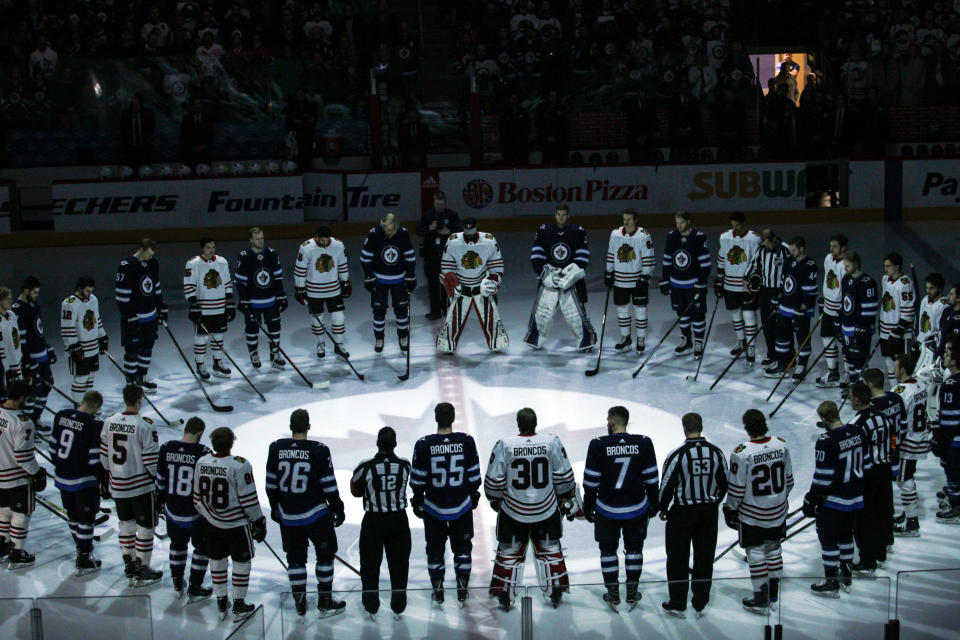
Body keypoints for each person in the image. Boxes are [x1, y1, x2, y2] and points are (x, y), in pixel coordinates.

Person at [484, 407, 578, 609]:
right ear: (536, 423)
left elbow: (493, 482)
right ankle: (556, 589)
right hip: (546, 510)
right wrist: (563, 497)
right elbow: (565, 477)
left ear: (518, 424)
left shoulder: (505, 444)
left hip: (513, 511)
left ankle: (505, 594)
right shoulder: (551, 441)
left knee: (509, 552)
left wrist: (496, 499)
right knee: (551, 548)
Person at [266, 409, 346, 618]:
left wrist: (275, 506)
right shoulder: (318, 450)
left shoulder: (276, 447)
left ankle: (299, 601)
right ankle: (325, 600)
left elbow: (271, 483)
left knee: (295, 559)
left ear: (291, 426)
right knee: (325, 555)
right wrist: (337, 507)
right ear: (308, 426)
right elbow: (328, 484)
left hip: (288, 515)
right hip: (315, 514)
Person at [582, 406, 658, 609]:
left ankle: (613, 592)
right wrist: (654, 502)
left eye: (608, 420)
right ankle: (632, 591)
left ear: (613, 422)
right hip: (636, 509)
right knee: (634, 549)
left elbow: (591, 482)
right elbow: (651, 478)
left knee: (607, 551)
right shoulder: (643, 442)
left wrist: (588, 506)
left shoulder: (598, 444)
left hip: (607, 510)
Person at [410, 403, 481, 605]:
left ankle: (438, 588)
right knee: (463, 548)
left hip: (434, 508)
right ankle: (462, 587)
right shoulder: (466, 441)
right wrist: (472, 495)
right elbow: (475, 478)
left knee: (434, 549)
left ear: (435, 418)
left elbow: (417, 481)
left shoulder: (424, 444)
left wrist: (418, 501)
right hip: (462, 506)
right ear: (453, 418)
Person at [658, 412, 728, 617]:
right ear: (701, 426)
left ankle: (678, 601)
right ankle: (700, 600)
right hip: (708, 512)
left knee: (678, 558)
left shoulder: (677, 454)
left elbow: (666, 485)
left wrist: (662, 507)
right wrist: (714, 501)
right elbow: (725, 483)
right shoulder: (716, 453)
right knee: (704, 556)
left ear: (684, 428)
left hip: (682, 513)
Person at [194, 427, 267, 621]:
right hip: (236, 526)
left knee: (216, 559)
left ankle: (220, 600)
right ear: (231, 443)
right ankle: (239, 603)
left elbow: (196, 498)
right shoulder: (240, 465)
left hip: (211, 524)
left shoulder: (202, 462)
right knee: (241, 562)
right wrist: (258, 520)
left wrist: (210, 516)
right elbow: (249, 500)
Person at [724, 409, 793, 615]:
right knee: (774, 549)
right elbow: (789, 481)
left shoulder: (741, 452)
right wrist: (778, 501)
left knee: (755, 552)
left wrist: (730, 508)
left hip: (753, 515)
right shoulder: (781, 444)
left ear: (746, 427)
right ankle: (772, 594)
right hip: (778, 511)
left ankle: (761, 597)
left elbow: (736, 489)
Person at [803, 400, 871, 597]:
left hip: (834, 499)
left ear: (823, 419)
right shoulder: (858, 432)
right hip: (855, 497)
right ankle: (846, 577)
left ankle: (831, 581)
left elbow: (823, 476)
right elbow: (866, 464)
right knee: (846, 535)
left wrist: (811, 499)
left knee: (828, 539)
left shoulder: (826, 440)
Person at [100, 384, 162, 587]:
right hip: (140, 486)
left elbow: (104, 455)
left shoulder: (109, 421)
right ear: (140, 400)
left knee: (125, 525)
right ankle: (143, 567)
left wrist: (113, 473)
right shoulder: (145, 425)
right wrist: (158, 481)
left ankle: (129, 564)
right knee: (145, 528)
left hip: (118, 484)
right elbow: (151, 461)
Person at [350, 426, 412, 616]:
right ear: (394, 444)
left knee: (369, 565)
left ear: (378, 443)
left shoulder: (365, 466)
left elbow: (354, 490)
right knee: (399, 564)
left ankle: (371, 604)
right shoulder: (405, 465)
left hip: (373, 522)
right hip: (398, 521)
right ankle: (399, 603)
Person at [156, 417, 213, 601]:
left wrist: (160, 502)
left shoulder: (166, 447)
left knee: (177, 545)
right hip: (195, 513)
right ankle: (195, 586)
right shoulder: (203, 452)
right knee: (202, 548)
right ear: (199, 433)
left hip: (172, 510)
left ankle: (177, 582)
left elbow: (160, 480)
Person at [525, 204, 596, 351]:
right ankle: (536, 338)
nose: (561, 217)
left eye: (564, 215)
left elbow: (583, 254)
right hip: (551, 275)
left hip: (570, 277)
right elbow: (537, 253)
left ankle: (585, 341)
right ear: (555, 215)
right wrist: (544, 274)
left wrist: (573, 271)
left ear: (568, 215)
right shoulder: (544, 230)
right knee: (543, 311)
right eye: (558, 214)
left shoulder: (578, 231)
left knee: (574, 312)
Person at [50, 390, 105, 575]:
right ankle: (83, 558)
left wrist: (62, 466)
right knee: (86, 520)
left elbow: (52, 447)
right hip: (83, 481)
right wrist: (99, 479)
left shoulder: (61, 415)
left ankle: (81, 550)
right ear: (97, 405)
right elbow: (94, 458)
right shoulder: (94, 424)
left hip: (62, 478)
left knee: (73, 517)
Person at [437, 218, 508, 353]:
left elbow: (496, 265)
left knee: (491, 317)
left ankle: (497, 342)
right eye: (467, 230)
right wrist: (452, 283)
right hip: (461, 287)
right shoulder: (453, 241)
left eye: (472, 230)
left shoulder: (489, 240)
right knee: (454, 318)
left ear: (476, 228)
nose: (469, 233)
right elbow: (447, 267)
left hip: (482, 286)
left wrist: (493, 282)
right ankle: (447, 343)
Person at [846, 382, 894, 575]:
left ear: (857, 399)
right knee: (883, 511)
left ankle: (867, 560)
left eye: (850, 396)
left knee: (865, 518)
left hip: (867, 474)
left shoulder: (856, 424)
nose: (849, 399)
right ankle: (881, 553)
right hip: (885, 469)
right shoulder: (883, 417)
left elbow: (854, 454)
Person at [0, 380, 46, 568]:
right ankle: (17, 552)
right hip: (17, 477)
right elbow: (23, 457)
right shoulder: (23, 422)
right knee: (21, 514)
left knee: (3, 512)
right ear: (21, 398)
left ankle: (2, 546)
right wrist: (37, 473)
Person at [359, 213, 416, 354]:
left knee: (402, 311)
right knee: (378, 311)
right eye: (386, 229)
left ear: (396, 226)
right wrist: (369, 276)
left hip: (399, 279)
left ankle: (403, 337)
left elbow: (409, 256)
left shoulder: (403, 234)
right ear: (382, 224)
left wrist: (410, 275)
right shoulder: (374, 234)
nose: (389, 232)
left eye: (392, 229)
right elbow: (365, 257)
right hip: (379, 280)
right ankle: (379, 338)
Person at [115, 239, 167, 391]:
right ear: (141, 249)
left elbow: (156, 287)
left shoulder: (153, 263)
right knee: (132, 350)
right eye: (148, 254)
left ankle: (141, 377)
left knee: (147, 347)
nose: (150, 257)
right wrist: (128, 314)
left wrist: (161, 307)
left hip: (149, 316)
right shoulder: (127, 265)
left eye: (152, 255)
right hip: (133, 318)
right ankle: (130, 383)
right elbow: (121, 295)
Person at [765, 236, 818, 380]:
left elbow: (811, 289)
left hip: (800, 309)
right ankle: (783, 362)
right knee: (781, 335)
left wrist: (805, 306)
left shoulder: (810, 265)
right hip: (785, 306)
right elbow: (784, 281)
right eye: (790, 250)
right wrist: (779, 296)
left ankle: (802, 365)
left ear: (802, 248)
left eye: (794, 250)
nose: (792, 252)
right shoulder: (789, 260)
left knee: (802, 337)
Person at [659, 211, 711, 357]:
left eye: (681, 222)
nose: (679, 226)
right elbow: (667, 259)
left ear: (688, 221)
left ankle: (699, 342)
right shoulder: (672, 236)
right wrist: (665, 279)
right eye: (677, 223)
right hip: (677, 284)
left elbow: (705, 262)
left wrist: (701, 282)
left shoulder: (699, 237)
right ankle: (686, 341)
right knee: (682, 313)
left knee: (698, 314)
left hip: (693, 285)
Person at [294, 225, 351, 360]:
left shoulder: (338, 245)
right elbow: (300, 268)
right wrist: (300, 288)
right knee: (317, 319)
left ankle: (339, 344)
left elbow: (343, 264)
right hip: (314, 291)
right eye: (321, 240)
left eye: (325, 240)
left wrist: (345, 281)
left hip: (333, 289)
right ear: (317, 237)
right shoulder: (306, 247)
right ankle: (320, 343)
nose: (323, 243)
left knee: (339, 317)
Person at [605, 209, 656, 354]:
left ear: (636, 220)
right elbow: (611, 253)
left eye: (629, 219)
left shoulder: (643, 236)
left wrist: (645, 276)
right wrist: (609, 272)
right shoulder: (615, 234)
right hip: (620, 280)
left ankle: (640, 339)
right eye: (624, 219)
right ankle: (625, 337)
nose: (626, 222)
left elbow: (648, 257)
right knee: (622, 310)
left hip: (637, 280)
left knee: (640, 310)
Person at [235, 227, 287, 369]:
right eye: (257, 239)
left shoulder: (271, 254)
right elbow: (239, 281)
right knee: (252, 328)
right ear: (251, 240)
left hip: (270, 300)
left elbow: (277, 276)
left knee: (275, 327)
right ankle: (254, 353)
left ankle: (275, 353)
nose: (260, 241)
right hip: (253, 302)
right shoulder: (244, 256)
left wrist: (281, 294)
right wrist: (244, 299)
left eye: (262, 238)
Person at [184, 237, 235, 380]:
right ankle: (200, 364)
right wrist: (193, 304)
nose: (211, 250)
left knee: (218, 334)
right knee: (201, 337)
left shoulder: (221, 261)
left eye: (213, 247)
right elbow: (188, 284)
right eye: (208, 247)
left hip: (219, 306)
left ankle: (217, 362)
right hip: (203, 308)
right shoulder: (193, 263)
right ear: (202, 248)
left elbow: (227, 282)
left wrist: (229, 301)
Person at [891, 354, 930, 536]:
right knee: (907, 476)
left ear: (903, 370)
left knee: (904, 480)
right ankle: (907, 514)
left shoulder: (900, 390)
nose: (893, 370)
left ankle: (912, 523)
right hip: (920, 438)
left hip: (908, 442)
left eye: (896, 366)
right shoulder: (921, 384)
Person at [716, 212, 762, 364]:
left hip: (746, 286)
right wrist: (719, 278)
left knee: (749, 316)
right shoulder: (725, 237)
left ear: (744, 223)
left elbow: (757, 261)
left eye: (738, 225)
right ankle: (741, 342)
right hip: (730, 284)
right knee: (735, 315)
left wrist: (754, 279)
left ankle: (751, 347)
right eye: (733, 225)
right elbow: (721, 257)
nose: (735, 228)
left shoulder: (754, 239)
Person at [13, 277, 55, 424]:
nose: (37, 295)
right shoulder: (18, 309)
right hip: (32, 358)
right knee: (32, 392)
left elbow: (39, 329)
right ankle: (29, 425)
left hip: (42, 354)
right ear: (26, 290)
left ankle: (35, 419)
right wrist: (27, 360)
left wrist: (47, 347)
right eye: (35, 292)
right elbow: (21, 339)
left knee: (47, 385)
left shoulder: (33, 304)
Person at [61, 276, 108, 403]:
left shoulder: (93, 299)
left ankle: (89, 407)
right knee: (81, 378)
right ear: (80, 288)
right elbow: (67, 328)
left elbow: (96, 319)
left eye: (91, 291)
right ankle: (79, 408)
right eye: (87, 291)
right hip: (80, 348)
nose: (90, 294)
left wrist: (102, 336)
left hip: (93, 347)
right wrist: (73, 346)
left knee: (91, 377)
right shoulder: (69, 304)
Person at [416, 192, 462, 320]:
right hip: (431, 255)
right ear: (434, 202)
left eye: (442, 204)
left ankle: (446, 308)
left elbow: (460, 231)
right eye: (437, 204)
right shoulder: (428, 216)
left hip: (448, 255)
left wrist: (449, 232)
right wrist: (430, 228)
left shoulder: (452, 215)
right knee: (432, 284)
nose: (440, 206)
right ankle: (435, 311)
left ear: (445, 203)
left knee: (447, 283)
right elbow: (418, 231)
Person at [839, 251, 879, 384]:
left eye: (848, 265)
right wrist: (840, 324)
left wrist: (861, 329)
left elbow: (870, 310)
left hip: (860, 329)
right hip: (847, 328)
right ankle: (853, 386)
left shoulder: (867, 282)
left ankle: (862, 388)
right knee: (849, 359)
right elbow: (844, 303)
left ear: (856, 264)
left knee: (860, 361)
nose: (845, 268)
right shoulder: (846, 279)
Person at [933, 335, 960, 523]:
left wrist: (939, 440)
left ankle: (956, 505)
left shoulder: (951, 385)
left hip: (955, 440)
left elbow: (949, 420)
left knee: (953, 472)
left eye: (948, 353)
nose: (944, 355)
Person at [753, 230, 791, 366]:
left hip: (781, 291)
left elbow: (791, 271)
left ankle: (787, 356)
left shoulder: (785, 250)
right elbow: (754, 264)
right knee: (767, 325)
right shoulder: (762, 249)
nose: (766, 246)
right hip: (765, 291)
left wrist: (784, 292)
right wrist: (747, 278)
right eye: (764, 243)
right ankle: (772, 354)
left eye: (768, 243)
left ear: (774, 239)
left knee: (782, 326)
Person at [816, 234, 849, 387]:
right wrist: (823, 299)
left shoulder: (847, 264)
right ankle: (833, 372)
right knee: (826, 337)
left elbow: (848, 289)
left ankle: (848, 373)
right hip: (828, 307)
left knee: (844, 342)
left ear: (843, 247)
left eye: (834, 246)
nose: (831, 249)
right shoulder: (828, 258)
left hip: (840, 310)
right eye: (831, 246)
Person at [914, 273, 947, 422]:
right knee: (917, 379)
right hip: (921, 346)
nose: (928, 291)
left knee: (927, 383)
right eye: (927, 288)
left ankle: (929, 416)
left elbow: (940, 332)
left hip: (931, 349)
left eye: (932, 288)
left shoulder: (943, 305)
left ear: (940, 288)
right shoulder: (924, 300)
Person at [879, 253, 916, 382]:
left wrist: (898, 331)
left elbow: (908, 312)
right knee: (889, 363)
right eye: (885, 266)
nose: (885, 269)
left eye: (888, 266)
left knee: (902, 365)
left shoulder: (905, 283)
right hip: (885, 331)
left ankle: (903, 392)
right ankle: (894, 391)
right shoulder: (885, 279)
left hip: (900, 333)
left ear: (897, 266)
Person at [120, 93, 155, 169]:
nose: (135, 107)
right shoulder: (126, 115)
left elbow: (150, 130)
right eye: (133, 105)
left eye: (137, 104)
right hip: (130, 149)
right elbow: (123, 133)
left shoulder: (147, 115)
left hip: (144, 148)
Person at [0, 288, 23, 403]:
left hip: (16, 366)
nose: (11, 301)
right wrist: (7, 370)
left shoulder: (12, 315)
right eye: (8, 299)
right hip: (4, 369)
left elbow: (16, 340)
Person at [180, 96, 215, 168]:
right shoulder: (187, 118)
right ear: (192, 106)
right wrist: (192, 147)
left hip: (205, 151)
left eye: (199, 104)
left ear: (202, 105)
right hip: (190, 152)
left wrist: (203, 146)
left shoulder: (208, 118)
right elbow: (184, 135)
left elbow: (211, 134)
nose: (197, 106)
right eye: (195, 104)